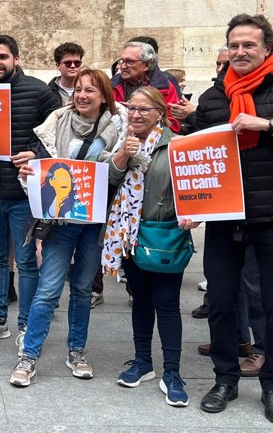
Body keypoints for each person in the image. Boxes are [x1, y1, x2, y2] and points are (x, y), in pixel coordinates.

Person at [8, 67, 128, 386]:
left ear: (104, 96)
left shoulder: (118, 129)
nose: (82, 95)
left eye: (90, 90)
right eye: (78, 90)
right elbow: (43, 169)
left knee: (82, 289)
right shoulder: (57, 123)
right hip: (60, 222)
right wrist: (29, 176)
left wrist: (120, 159)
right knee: (48, 290)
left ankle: (77, 351)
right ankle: (28, 356)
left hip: (94, 222)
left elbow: (115, 179)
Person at [188, 14, 273, 422]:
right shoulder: (213, 97)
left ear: (266, 49)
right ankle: (225, 378)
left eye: (249, 45)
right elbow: (198, 151)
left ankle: (271, 384)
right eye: (234, 45)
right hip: (224, 218)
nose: (240, 52)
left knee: (270, 304)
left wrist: (267, 124)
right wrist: (191, 204)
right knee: (221, 303)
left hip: (269, 216)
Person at [101, 86, 196, 407]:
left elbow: (192, 186)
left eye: (144, 109)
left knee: (166, 302)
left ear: (160, 113)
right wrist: (124, 154)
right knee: (140, 298)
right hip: (126, 235)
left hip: (163, 233)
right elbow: (110, 179)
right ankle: (143, 361)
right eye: (132, 108)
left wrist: (191, 214)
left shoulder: (176, 145)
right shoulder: (122, 140)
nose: (136, 115)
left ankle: (172, 372)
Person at [0, 35, 60, 347]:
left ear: (16, 58)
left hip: (24, 195)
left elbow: (57, 134)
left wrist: (35, 152)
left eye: (2, 57)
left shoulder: (39, 91)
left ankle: (25, 326)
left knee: (26, 260)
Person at [111, 41, 181, 132]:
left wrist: (142, 113)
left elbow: (174, 125)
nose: (123, 66)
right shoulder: (111, 85)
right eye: (122, 61)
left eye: (129, 62)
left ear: (146, 65)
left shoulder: (165, 87)